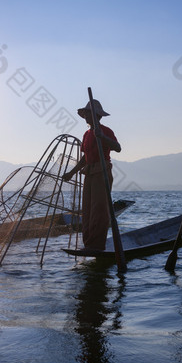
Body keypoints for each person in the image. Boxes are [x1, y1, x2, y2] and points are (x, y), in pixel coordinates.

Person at [62, 100, 121, 251]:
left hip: (102, 172)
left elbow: (118, 147)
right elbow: (85, 158)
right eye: (86, 114)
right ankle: (89, 243)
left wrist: (103, 137)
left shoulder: (105, 131)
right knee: (87, 209)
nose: (86, 116)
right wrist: (71, 173)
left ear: (96, 116)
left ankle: (97, 244)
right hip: (89, 173)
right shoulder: (87, 134)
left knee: (99, 209)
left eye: (89, 113)